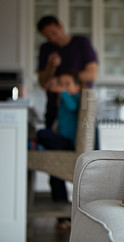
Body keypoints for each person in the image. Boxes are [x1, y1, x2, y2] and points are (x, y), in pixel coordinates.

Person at [36, 15, 97, 229]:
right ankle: (63, 214)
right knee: (50, 157)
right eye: (47, 36)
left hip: (78, 112)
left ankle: (87, 209)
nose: (51, 38)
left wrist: (66, 83)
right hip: (54, 111)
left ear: (61, 26)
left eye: (53, 32)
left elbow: (92, 72)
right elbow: (43, 82)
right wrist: (52, 68)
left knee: (79, 153)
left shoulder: (81, 43)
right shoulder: (46, 50)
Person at [36, 71, 81, 229]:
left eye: (67, 84)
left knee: (41, 134)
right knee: (55, 176)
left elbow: (73, 106)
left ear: (77, 87)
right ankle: (63, 217)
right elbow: (60, 123)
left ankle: (36, 144)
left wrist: (61, 91)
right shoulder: (63, 102)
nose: (63, 87)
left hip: (69, 143)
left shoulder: (76, 98)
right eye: (61, 84)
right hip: (62, 141)